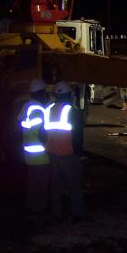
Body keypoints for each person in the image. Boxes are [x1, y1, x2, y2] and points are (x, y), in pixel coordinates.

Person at [46, 81, 86, 220]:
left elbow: (42, 133)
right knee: (74, 185)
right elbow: (78, 136)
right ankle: (78, 213)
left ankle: (56, 213)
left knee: (55, 186)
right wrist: (79, 152)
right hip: (69, 154)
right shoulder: (72, 111)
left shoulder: (49, 109)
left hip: (53, 154)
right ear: (69, 94)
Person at [19, 78, 52, 213]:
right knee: (42, 183)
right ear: (40, 92)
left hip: (29, 153)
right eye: (44, 92)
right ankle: (40, 208)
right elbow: (41, 133)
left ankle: (31, 206)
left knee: (32, 182)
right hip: (40, 154)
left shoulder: (27, 106)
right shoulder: (38, 110)